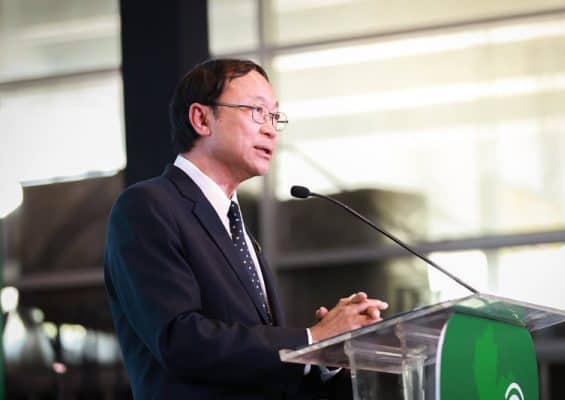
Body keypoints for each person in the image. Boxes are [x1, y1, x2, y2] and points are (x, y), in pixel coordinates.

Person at [104, 58, 388, 399]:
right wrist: (311, 338)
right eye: (256, 111)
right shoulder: (147, 206)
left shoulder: (236, 227)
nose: (270, 129)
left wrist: (326, 352)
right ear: (201, 119)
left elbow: (258, 367)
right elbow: (180, 340)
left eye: (274, 116)